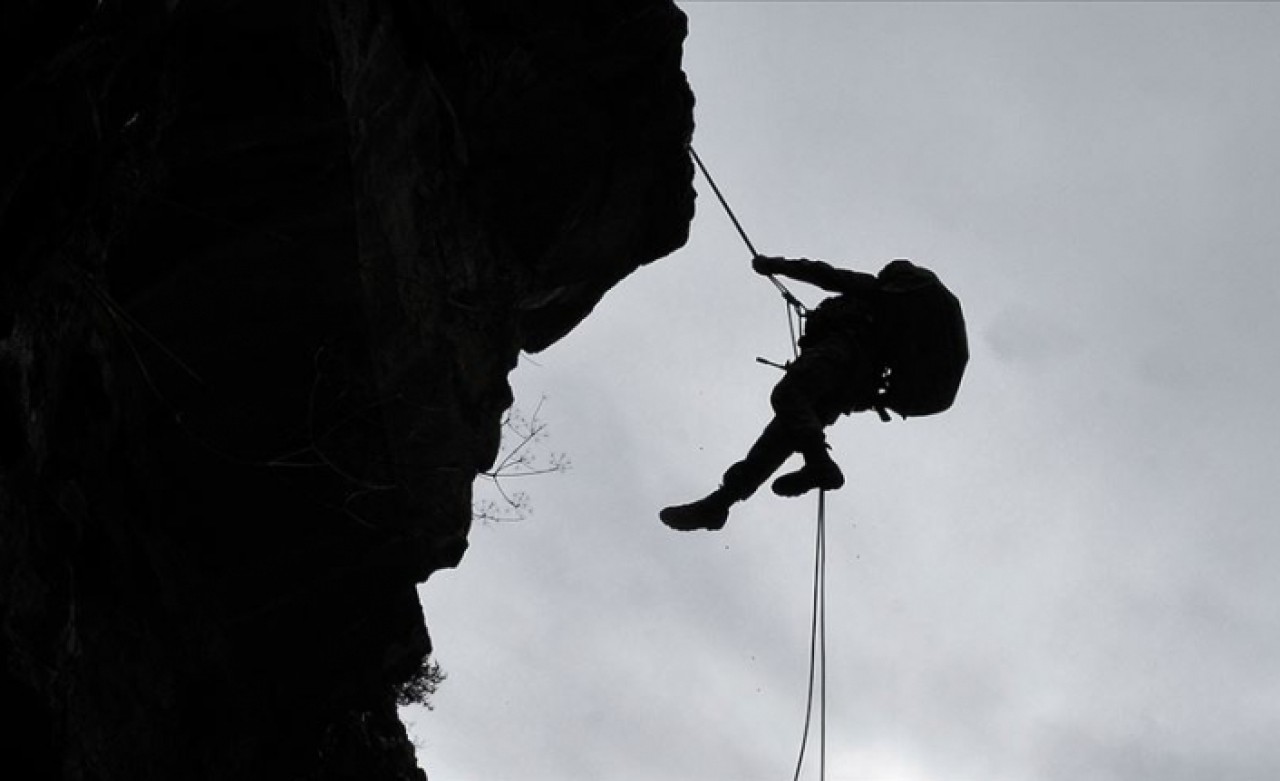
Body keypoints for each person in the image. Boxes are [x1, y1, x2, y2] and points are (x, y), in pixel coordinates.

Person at [660, 254, 965, 531]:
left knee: (788, 395)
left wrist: (776, 265)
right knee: (782, 436)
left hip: (842, 354)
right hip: (856, 388)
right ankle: (720, 503)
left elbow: (825, 274)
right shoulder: (902, 324)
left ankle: (818, 464)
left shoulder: (875, 293)